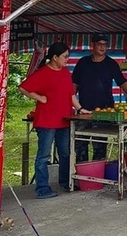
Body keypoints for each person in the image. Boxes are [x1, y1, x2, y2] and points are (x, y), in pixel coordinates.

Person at [19, 41, 84, 199]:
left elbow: (70, 95)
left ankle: (65, 182)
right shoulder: (42, 73)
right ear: (55, 57)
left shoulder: (65, 72)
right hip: (47, 121)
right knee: (44, 155)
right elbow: (23, 87)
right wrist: (39, 98)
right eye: (65, 57)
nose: (67, 59)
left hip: (64, 119)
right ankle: (42, 188)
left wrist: (80, 109)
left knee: (65, 153)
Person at [72, 33, 127, 162]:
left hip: (104, 112)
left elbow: (122, 81)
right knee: (79, 143)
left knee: (100, 145)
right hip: (83, 110)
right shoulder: (83, 63)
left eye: (104, 45)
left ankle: (98, 172)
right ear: (93, 45)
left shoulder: (111, 64)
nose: (102, 47)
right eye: (99, 44)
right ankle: (82, 173)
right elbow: (74, 84)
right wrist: (73, 102)